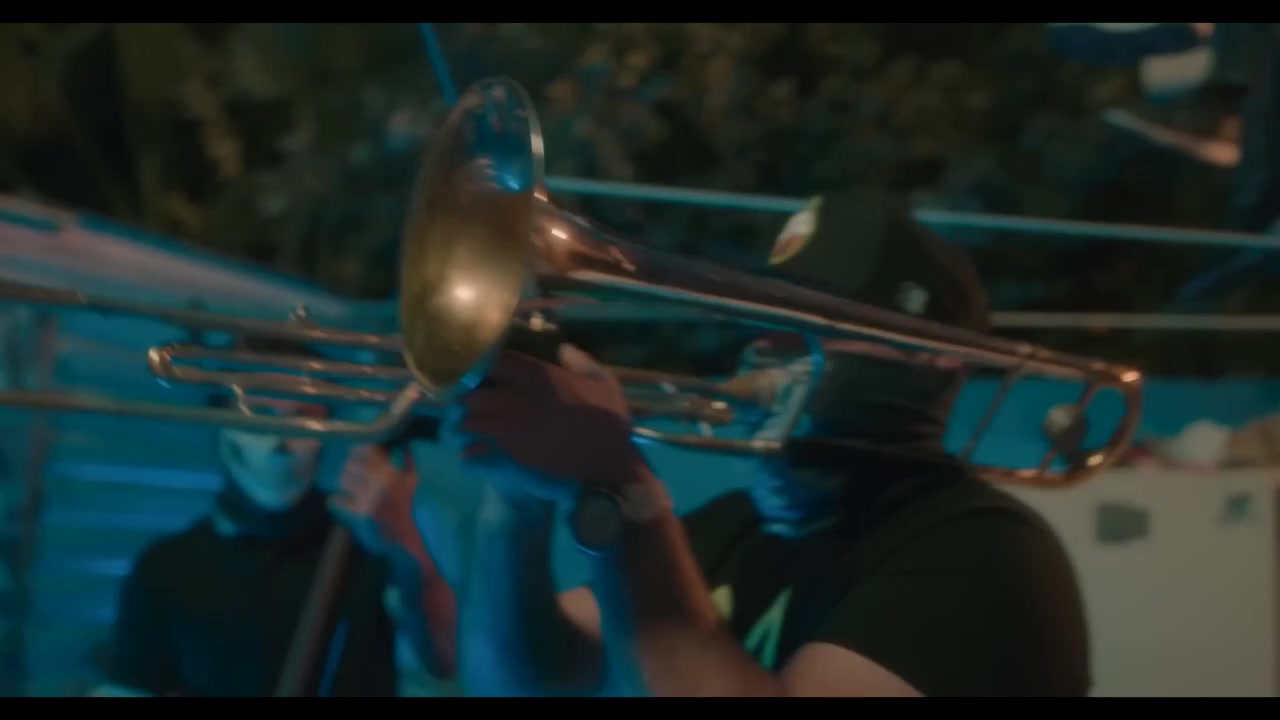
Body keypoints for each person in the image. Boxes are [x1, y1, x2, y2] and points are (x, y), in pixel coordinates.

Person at [419, 188, 1091, 696]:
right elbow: (521, 683)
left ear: (932, 358)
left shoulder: (985, 552)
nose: (767, 341)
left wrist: (619, 484)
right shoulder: (732, 528)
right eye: (766, 311)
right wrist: (516, 497)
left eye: (817, 319)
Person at [97, 339, 456, 697]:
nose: (280, 440)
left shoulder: (368, 546)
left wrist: (407, 544)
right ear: (221, 416)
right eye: (259, 411)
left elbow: (445, 659)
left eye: (301, 415)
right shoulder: (163, 569)